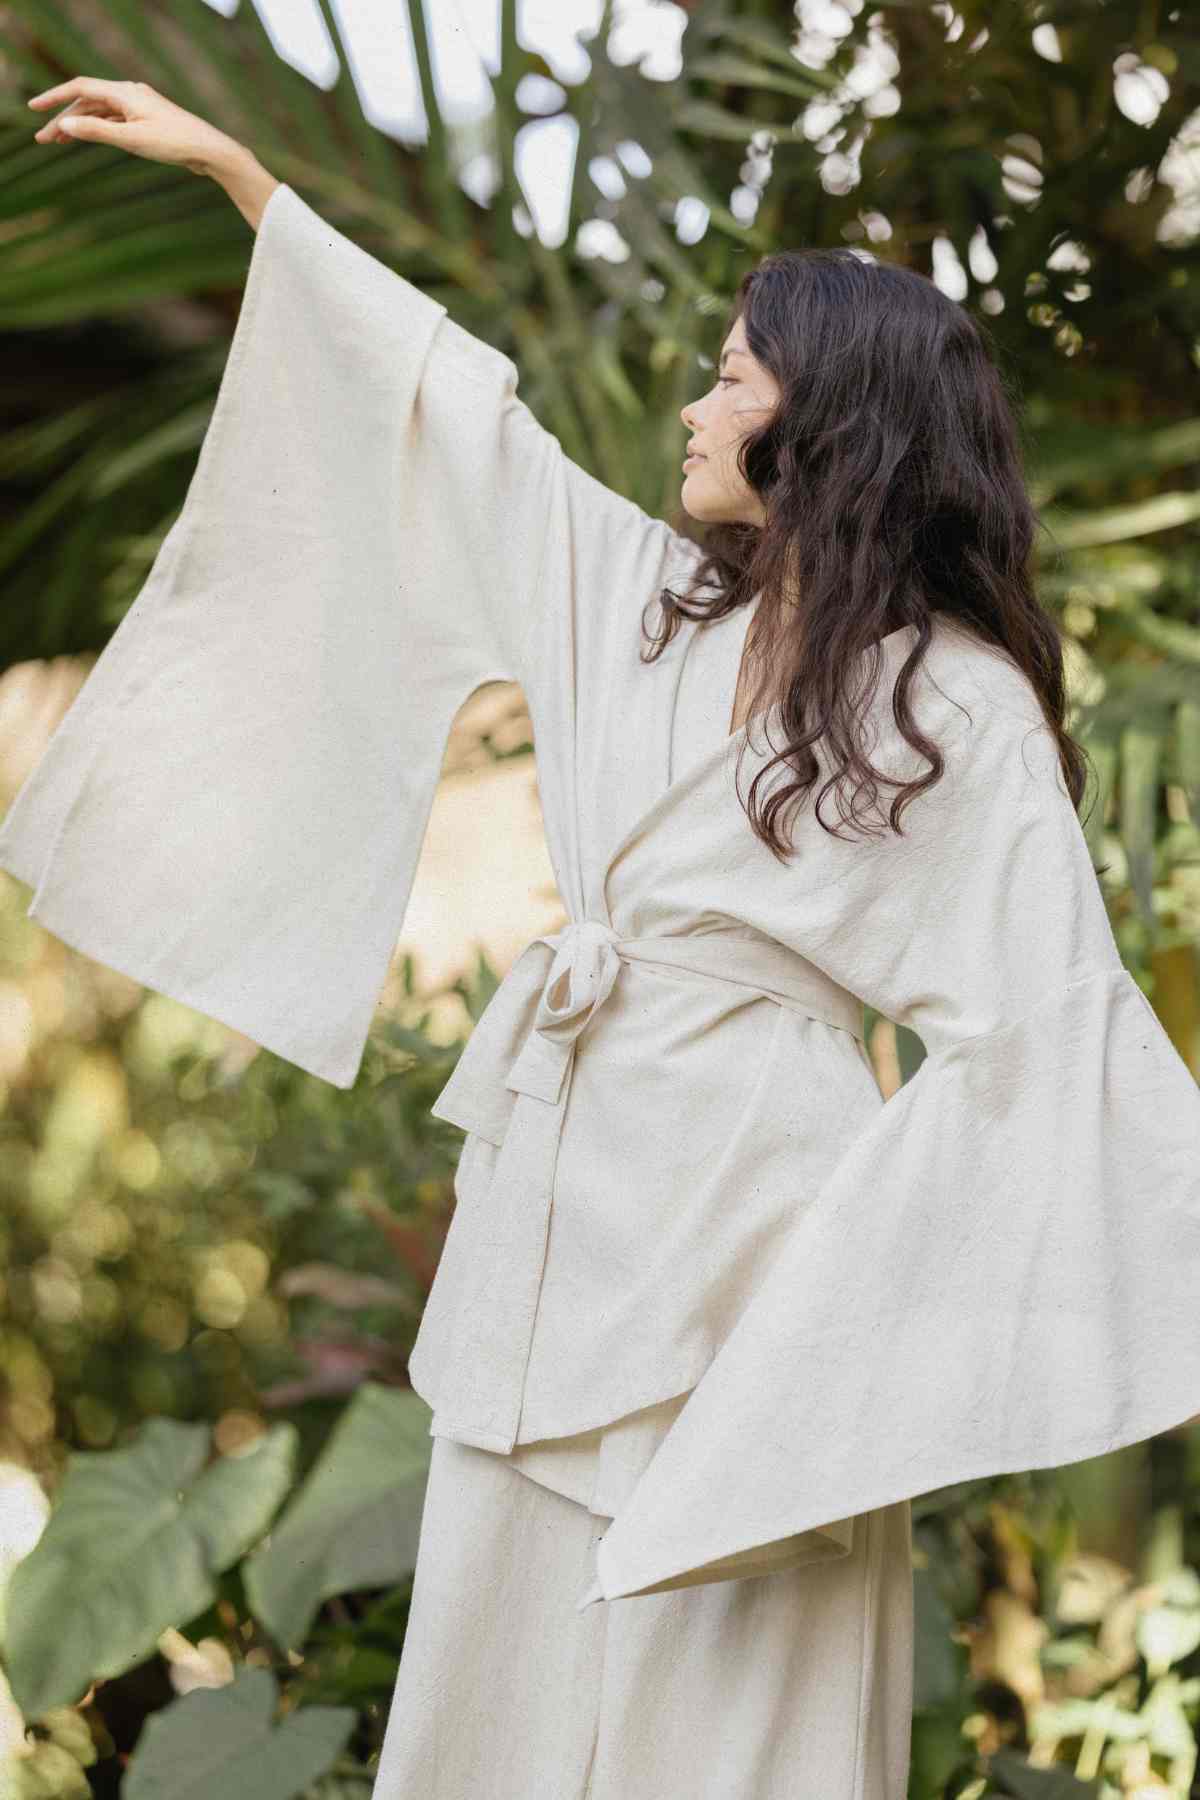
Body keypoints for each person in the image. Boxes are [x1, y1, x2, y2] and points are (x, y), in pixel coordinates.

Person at [9, 78, 1200, 1800]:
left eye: (733, 373)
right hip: (562, 1191)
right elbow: (451, 417)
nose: (699, 406)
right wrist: (251, 187)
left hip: (755, 1241)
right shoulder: (634, 601)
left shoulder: (955, 701)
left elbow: (1051, 1030)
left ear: (832, 417)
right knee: (507, 1651)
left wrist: (872, 1309)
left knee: (732, 1688)